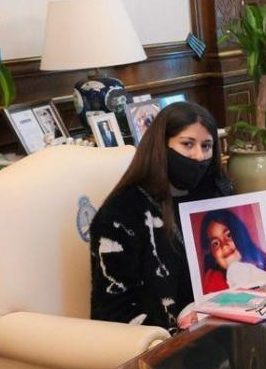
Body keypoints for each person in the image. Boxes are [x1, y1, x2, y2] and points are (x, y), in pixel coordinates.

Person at [90, 102, 232, 332]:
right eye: (187, 144)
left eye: (207, 146)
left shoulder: (218, 191)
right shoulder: (122, 213)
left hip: (226, 322)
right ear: (161, 145)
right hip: (165, 342)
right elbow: (112, 309)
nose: (199, 156)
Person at [198, 209, 266, 293]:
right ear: (212, 255)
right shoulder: (213, 281)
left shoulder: (260, 259)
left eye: (228, 235)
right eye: (215, 243)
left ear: (240, 235)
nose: (224, 245)